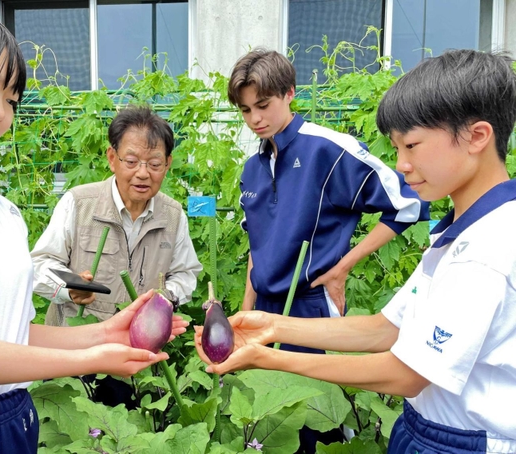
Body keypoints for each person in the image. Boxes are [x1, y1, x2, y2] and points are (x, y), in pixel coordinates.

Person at [0, 4, 186, 453]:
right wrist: (86, 358)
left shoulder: (0, 212)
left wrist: (103, 333)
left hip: (14, 420)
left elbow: (5, 334)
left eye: (10, 99)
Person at [197, 49, 516, 453]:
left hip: (463, 441)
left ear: (477, 136)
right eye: (397, 148)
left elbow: (407, 373)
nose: (401, 164)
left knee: (315, 423)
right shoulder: (455, 236)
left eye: (412, 146)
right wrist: (271, 325)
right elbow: (387, 329)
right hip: (420, 425)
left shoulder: (488, 247)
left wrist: (269, 357)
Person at [228, 48, 430, 354]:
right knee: (263, 398)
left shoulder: (329, 150)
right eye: (245, 110)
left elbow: (408, 203)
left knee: (313, 400)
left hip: (311, 307)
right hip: (262, 311)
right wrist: (246, 309)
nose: (255, 119)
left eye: (263, 105)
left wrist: (343, 267)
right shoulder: (252, 168)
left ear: (289, 94)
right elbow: (257, 242)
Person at [31, 104, 202, 326]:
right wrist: (69, 288)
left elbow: (185, 273)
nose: (142, 173)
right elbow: (40, 263)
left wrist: (165, 298)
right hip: (76, 344)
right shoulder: (78, 203)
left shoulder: (173, 216)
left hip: (137, 343)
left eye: (155, 164)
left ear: (167, 164)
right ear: (112, 158)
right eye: (131, 162)